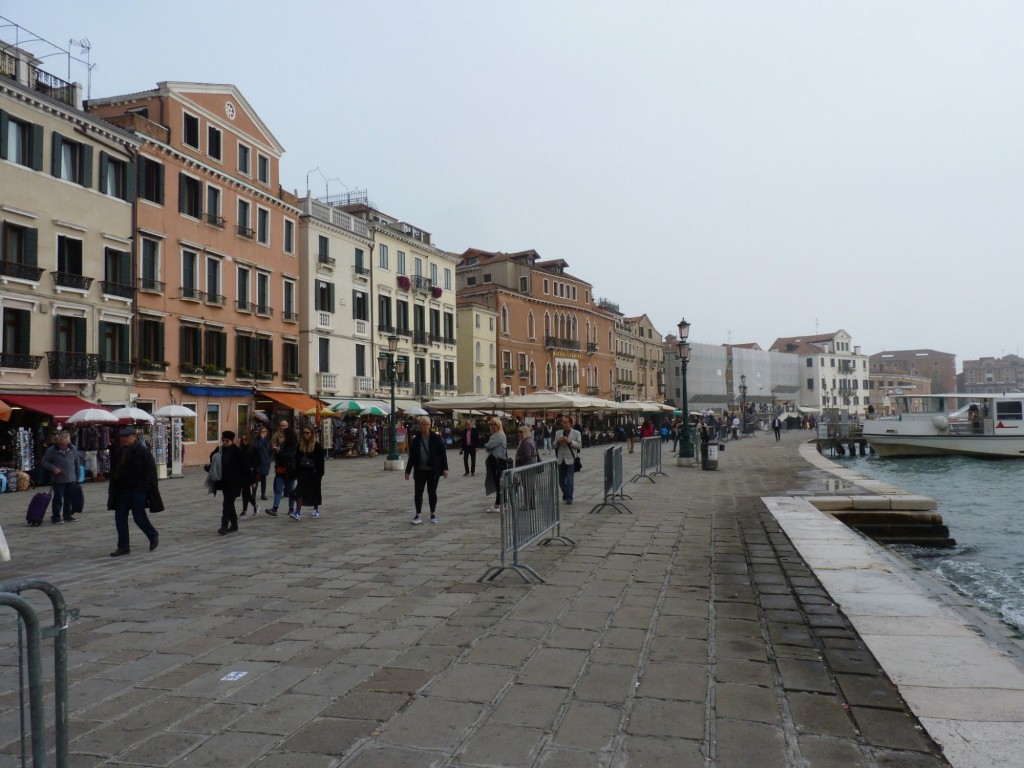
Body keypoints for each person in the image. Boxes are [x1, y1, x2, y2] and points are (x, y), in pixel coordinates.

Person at [107, 426, 161, 556]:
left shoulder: (143, 452)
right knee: (120, 518)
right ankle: (123, 546)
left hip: (137, 490)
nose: (125, 439)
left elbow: (150, 471)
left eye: (127, 436)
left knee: (139, 517)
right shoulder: (119, 451)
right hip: (122, 490)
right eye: (123, 437)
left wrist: (142, 487)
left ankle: (152, 534)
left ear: (134, 437)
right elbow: (115, 470)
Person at [404, 416, 449, 524]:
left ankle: (433, 513)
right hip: (420, 470)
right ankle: (418, 514)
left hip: (433, 470)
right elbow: (412, 456)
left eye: (428, 424)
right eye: (424, 424)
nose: (426, 426)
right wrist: (408, 471)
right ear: (420, 426)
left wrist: (445, 468)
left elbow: (443, 454)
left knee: (432, 492)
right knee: (418, 492)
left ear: (430, 425)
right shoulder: (416, 439)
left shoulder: (436, 438)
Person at [40, 430, 81, 524]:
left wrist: (77, 478)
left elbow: (77, 464)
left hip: (71, 479)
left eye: (64, 444)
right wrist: (53, 468)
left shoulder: (73, 449)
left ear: (68, 443)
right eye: (61, 444)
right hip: (59, 479)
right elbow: (44, 462)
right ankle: (56, 517)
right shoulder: (52, 450)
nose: (62, 446)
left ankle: (67, 515)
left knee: (69, 498)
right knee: (58, 498)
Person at [213, 431, 246, 535]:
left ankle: (224, 526)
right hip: (224, 482)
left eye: (227, 441)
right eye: (223, 441)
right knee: (229, 503)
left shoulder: (237, 451)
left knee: (227, 503)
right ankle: (234, 525)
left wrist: (247, 481)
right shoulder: (220, 449)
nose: (225, 443)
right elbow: (212, 457)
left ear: (231, 441)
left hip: (235, 482)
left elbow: (244, 467)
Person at [291, 426, 325, 520]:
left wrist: (320, 473)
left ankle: (315, 509)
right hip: (303, 471)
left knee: (315, 490)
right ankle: (298, 512)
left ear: (312, 434)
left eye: (307, 433)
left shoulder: (317, 445)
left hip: (314, 472)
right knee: (300, 490)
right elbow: (297, 459)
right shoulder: (300, 445)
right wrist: (297, 472)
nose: (305, 435)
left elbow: (320, 461)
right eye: (304, 433)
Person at [269, 426, 299, 516]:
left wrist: (280, 452)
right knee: (278, 490)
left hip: (290, 470)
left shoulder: (295, 445)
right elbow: (279, 457)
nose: (283, 436)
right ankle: (275, 508)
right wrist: (276, 451)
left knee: (290, 491)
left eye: (284, 435)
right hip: (280, 469)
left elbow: (290, 456)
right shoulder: (283, 444)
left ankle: (291, 508)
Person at [554, 413, 582, 505]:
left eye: (565, 422)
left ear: (570, 423)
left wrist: (570, 441)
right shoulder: (558, 433)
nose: (563, 424)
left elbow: (579, 445)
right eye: (562, 422)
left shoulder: (576, 433)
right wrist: (558, 441)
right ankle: (566, 493)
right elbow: (553, 446)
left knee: (570, 480)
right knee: (561, 481)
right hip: (561, 459)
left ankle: (569, 497)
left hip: (571, 460)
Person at [483, 417, 508, 513]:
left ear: (499, 425)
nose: (492, 426)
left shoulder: (500, 435)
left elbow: (489, 446)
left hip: (498, 462)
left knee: (499, 484)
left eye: (495, 424)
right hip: (494, 462)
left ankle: (498, 505)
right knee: (498, 483)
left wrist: (487, 445)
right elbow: (488, 447)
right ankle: (501, 504)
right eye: (491, 424)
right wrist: (488, 446)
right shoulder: (494, 435)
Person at [238, 432, 261, 518]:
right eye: (243, 440)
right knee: (246, 492)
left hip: (251, 473)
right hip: (242, 473)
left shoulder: (253, 449)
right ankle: (255, 506)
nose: (244, 441)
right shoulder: (240, 449)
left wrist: (253, 469)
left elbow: (257, 461)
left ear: (249, 440)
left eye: (246, 439)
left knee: (245, 492)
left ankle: (244, 511)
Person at [253, 425, 273, 500]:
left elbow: (271, 452)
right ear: (259, 432)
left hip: (265, 463)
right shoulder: (257, 440)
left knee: (264, 479)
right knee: (256, 479)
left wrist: (269, 459)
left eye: (265, 432)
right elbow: (256, 447)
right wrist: (262, 439)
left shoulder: (268, 441)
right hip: (258, 462)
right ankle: (254, 494)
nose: (263, 433)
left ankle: (263, 494)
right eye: (262, 431)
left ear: (267, 433)